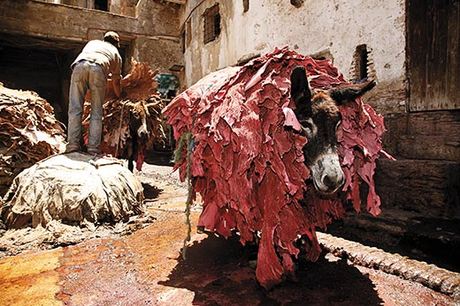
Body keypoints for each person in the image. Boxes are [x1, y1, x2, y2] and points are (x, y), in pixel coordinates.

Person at [65, 31, 122, 154]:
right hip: (99, 68)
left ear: (104, 39)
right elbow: (116, 82)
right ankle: (92, 148)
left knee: (75, 108)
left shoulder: (93, 43)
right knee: (96, 112)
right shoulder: (116, 53)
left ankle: (72, 145)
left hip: (79, 66)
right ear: (117, 44)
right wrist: (120, 96)